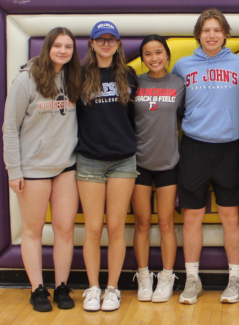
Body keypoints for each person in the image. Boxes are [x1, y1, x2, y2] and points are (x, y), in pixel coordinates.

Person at [171, 8, 239, 305]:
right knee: (192, 216)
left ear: (225, 33)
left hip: (230, 147)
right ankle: (192, 280)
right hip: (194, 146)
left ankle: (234, 279)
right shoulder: (183, 65)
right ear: (198, 35)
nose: (212, 35)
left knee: (230, 216)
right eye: (206, 30)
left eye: (217, 29)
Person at [2, 27, 81, 312]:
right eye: (57, 45)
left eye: (68, 47)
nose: (62, 51)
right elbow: (10, 129)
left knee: (64, 229)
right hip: (33, 168)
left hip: (66, 166)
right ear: (47, 47)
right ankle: (37, 289)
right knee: (33, 231)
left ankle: (61, 287)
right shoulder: (25, 80)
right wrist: (14, 169)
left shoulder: (74, 78)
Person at [77, 21, 139, 312]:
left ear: (117, 44)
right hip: (89, 158)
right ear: (91, 43)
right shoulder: (78, 75)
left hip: (123, 160)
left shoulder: (128, 75)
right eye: (99, 39)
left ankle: (112, 288)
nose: (105, 44)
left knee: (115, 227)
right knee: (92, 228)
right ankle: (92, 288)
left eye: (110, 39)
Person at [131, 34, 185, 303]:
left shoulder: (178, 83)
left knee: (165, 223)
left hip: (168, 164)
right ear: (142, 58)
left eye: (159, 52)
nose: (154, 58)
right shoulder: (134, 83)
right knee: (142, 223)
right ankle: (143, 276)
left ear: (167, 55)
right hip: (138, 163)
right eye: (148, 53)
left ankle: (166, 277)